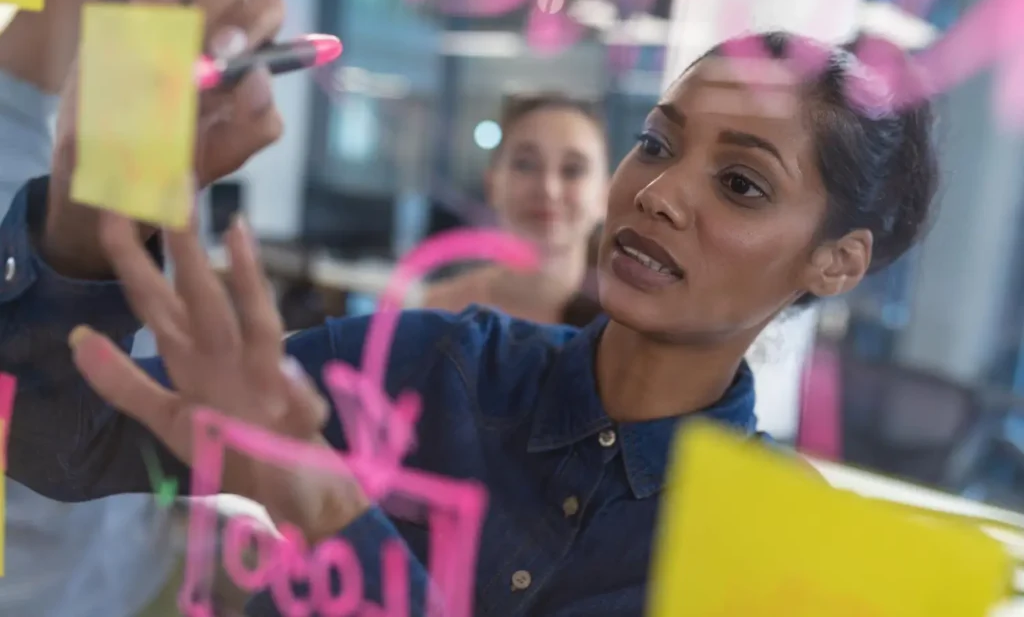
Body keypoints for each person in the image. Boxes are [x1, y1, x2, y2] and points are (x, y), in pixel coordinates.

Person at [0, 31, 938, 616]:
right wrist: (96, 208)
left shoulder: (779, 544)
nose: (657, 194)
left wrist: (331, 511)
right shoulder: (434, 365)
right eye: (656, 143)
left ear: (837, 260)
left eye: (740, 184)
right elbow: (56, 443)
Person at [0, 0, 278, 615]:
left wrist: (182, 531)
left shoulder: (137, 149)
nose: (203, 51)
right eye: (186, 6)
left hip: (125, 576)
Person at [423, 93, 608, 325]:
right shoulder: (437, 312)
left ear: (605, 195)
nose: (548, 189)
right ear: (491, 185)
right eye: (526, 164)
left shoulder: (626, 329)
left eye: (573, 170)